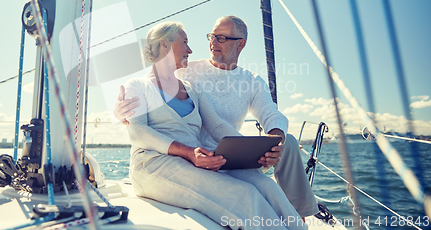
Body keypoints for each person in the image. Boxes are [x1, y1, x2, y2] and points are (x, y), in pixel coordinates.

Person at [116, 16, 319, 219]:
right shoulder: (171, 74)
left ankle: (299, 220)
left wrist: (259, 148)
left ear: (241, 44)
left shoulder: (241, 82)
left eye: (221, 38)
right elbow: (139, 123)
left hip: (222, 157)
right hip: (181, 159)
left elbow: (227, 124)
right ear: (164, 44)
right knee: (247, 195)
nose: (211, 43)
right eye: (212, 37)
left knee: (271, 179)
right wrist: (120, 112)